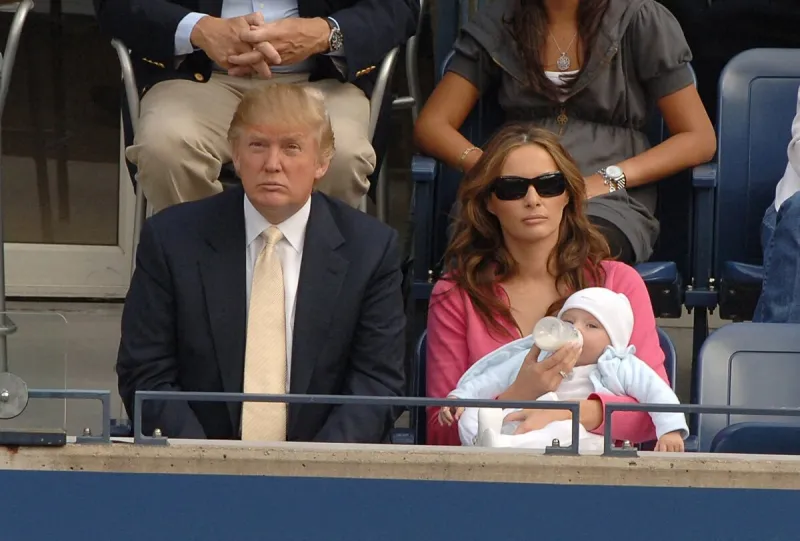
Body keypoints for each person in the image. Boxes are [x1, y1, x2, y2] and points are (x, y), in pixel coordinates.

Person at [116, 84, 406, 442]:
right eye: (257, 146)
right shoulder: (171, 240)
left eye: (291, 148)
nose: (272, 164)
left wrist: (312, 472)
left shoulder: (370, 250)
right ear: (235, 156)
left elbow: (378, 386)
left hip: (323, 480)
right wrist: (208, 465)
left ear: (322, 162)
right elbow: (146, 374)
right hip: (198, 474)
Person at [413, 0, 716, 265]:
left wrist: (608, 179)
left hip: (604, 196)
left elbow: (698, 138)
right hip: (515, 190)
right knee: (481, 247)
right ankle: (497, 332)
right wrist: (488, 169)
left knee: (573, 251)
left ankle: (561, 332)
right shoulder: (500, 21)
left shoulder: (639, 18)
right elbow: (432, 124)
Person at [425, 123, 669, 446]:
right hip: (492, 484)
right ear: (488, 202)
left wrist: (568, 414)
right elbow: (439, 432)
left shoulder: (619, 283)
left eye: (549, 185)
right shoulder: (455, 294)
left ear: (568, 194)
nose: (532, 199)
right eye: (512, 188)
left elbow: (655, 412)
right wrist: (519, 394)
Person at [94, 0, 419, 212]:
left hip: (321, 80)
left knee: (341, 157)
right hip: (198, 77)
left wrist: (326, 33)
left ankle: (311, 291)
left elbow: (399, 7)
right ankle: (204, 284)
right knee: (166, 148)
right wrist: (197, 29)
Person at [439, 287, 688, 452]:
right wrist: (461, 397)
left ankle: (501, 446)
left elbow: (658, 394)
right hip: (517, 422)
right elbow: (493, 377)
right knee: (473, 411)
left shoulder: (620, 365)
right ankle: (485, 444)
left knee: (564, 429)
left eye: (591, 325)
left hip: (580, 437)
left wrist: (671, 431)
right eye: (568, 321)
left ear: (613, 340)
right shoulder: (539, 355)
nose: (576, 330)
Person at [753, 86, 800, 323]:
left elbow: (698, 139)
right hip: (794, 217)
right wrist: (619, 180)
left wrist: (620, 179)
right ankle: (777, 355)